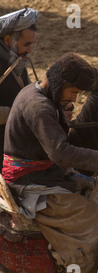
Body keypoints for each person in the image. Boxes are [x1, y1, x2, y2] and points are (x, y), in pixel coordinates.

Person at [2, 53, 98, 273]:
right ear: (58, 83)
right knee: (97, 235)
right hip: (31, 184)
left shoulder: (36, 94)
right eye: (73, 92)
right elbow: (60, 152)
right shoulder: (40, 106)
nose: (74, 99)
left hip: (46, 173)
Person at [0, 8, 39, 164]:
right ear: (8, 40)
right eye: (26, 44)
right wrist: (16, 113)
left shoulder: (17, 61)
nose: (29, 50)